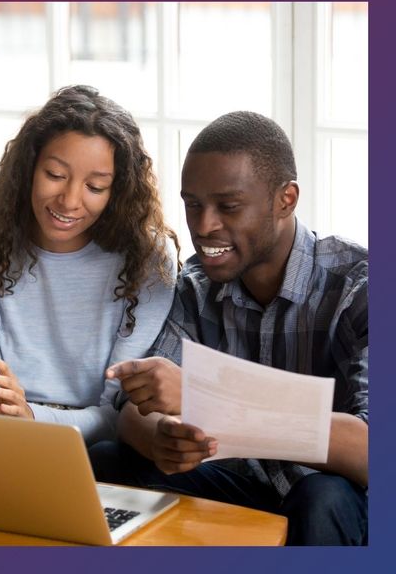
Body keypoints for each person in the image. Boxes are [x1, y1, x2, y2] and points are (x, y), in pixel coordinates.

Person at [90, 111, 368, 545]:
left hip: (340, 498)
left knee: (322, 497)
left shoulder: (361, 286)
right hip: (245, 487)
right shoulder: (195, 287)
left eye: (228, 206)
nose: (203, 226)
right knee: (110, 460)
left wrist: (209, 397)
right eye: (193, 204)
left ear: (286, 199)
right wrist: (161, 435)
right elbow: (131, 410)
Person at [0, 84, 179, 447]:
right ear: (29, 168)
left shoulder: (149, 258)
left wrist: (30, 417)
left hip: (89, 444)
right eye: (55, 176)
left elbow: (115, 415)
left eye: (95, 186)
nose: (70, 200)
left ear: (117, 191)